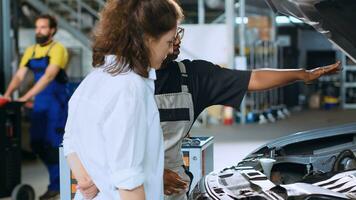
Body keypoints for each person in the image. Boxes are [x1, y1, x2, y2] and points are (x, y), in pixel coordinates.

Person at [71, 21, 341, 200]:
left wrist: (302, 75)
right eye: (168, 36)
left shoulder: (194, 76)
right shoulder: (116, 82)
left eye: (177, 33)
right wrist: (149, 173)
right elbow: (80, 143)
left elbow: (252, 78)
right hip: (116, 188)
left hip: (172, 187)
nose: (176, 42)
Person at [62, 0, 184, 199]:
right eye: (168, 42)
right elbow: (130, 184)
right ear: (147, 39)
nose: (170, 50)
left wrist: (86, 181)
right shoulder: (130, 89)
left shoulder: (96, 77)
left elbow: (70, 141)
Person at [3, 14, 69, 199]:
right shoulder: (31, 51)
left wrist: (25, 97)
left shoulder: (58, 49)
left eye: (43, 27)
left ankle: (58, 185)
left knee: (54, 145)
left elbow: (49, 76)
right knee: (37, 143)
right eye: (37, 27)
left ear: (52, 30)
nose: (38, 30)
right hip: (39, 104)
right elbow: (19, 76)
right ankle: (56, 183)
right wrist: (8, 95)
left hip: (56, 103)